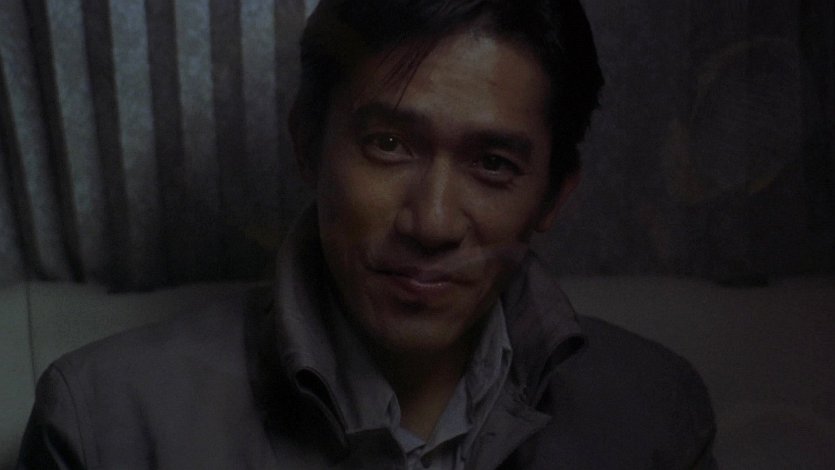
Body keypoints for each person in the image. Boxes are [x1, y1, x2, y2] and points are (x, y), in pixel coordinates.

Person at [17, 0, 716, 468]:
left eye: (493, 164)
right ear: (307, 145)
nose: (432, 222)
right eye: (388, 144)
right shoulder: (104, 424)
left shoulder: (657, 415)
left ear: (553, 197)